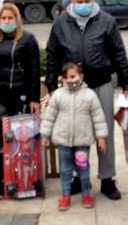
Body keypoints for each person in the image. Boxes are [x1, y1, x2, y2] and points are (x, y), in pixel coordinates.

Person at [45, 0, 128, 201]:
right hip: (72, 89)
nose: (84, 5)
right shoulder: (60, 23)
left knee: (104, 132)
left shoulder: (107, 21)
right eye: (79, 2)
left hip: (101, 83)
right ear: (71, 1)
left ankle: (107, 179)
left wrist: (127, 82)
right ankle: (77, 176)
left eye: (87, 1)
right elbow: (52, 55)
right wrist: (50, 84)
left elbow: (118, 53)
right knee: (75, 132)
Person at [40, 62, 108, 211]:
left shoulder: (90, 95)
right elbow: (49, 116)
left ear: (81, 77)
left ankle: (86, 194)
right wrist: (45, 135)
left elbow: (98, 116)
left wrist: (101, 136)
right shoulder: (58, 95)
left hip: (82, 140)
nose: (70, 80)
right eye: (66, 77)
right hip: (63, 140)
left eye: (73, 76)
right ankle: (66, 196)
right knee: (65, 169)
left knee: (83, 169)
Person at [0, 3, 41, 116]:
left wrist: (34, 98)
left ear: (16, 19)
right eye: (3, 18)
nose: (7, 21)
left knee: (20, 129)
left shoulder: (28, 39)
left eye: (10, 18)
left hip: (21, 90)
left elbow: (35, 71)